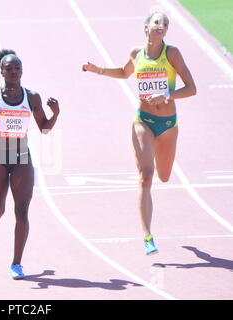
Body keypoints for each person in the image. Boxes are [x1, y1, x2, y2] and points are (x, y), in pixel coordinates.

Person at [82, 11, 196, 255]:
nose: (161, 27)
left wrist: (166, 95)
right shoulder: (137, 53)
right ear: (146, 27)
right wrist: (98, 69)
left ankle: (157, 162)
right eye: (157, 23)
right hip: (142, 120)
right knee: (146, 176)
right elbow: (124, 73)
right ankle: (147, 237)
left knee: (164, 176)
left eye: (165, 25)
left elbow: (192, 88)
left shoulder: (172, 53)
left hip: (167, 125)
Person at [0, 49, 60, 279]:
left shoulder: (32, 97)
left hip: (21, 158)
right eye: (9, 69)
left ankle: (17, 263)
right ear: (1, 72)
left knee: (22, 211)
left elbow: (44, 129)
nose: (14, 72)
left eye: (17, 68)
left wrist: (55, 113)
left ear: (22, 70)